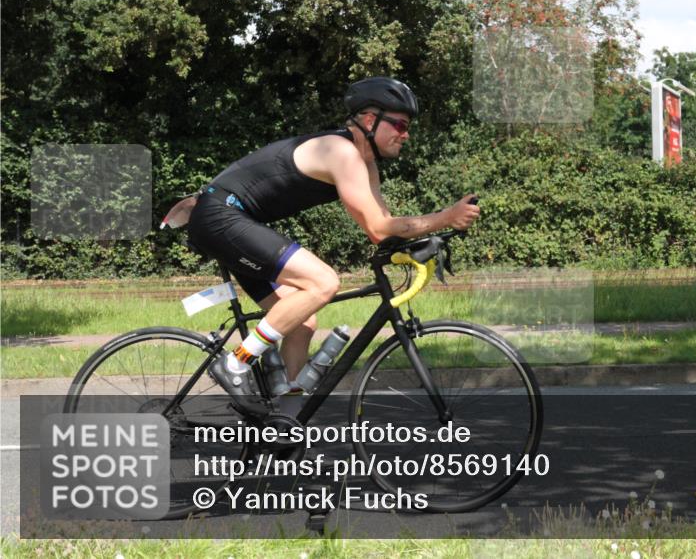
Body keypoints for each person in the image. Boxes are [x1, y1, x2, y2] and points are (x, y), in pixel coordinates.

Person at [186, 76, 479, 410]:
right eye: (399, 124)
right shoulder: (342, 152)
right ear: (370, 120)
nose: (406, 133)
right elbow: (382, 229)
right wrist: (444, 216)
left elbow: (380, 229)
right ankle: (236, 363)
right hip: (220, 215)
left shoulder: (365, 164)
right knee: (323, 282)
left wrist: (423, 239)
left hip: (234, 220)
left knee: (302, 323)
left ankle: (283, 420)